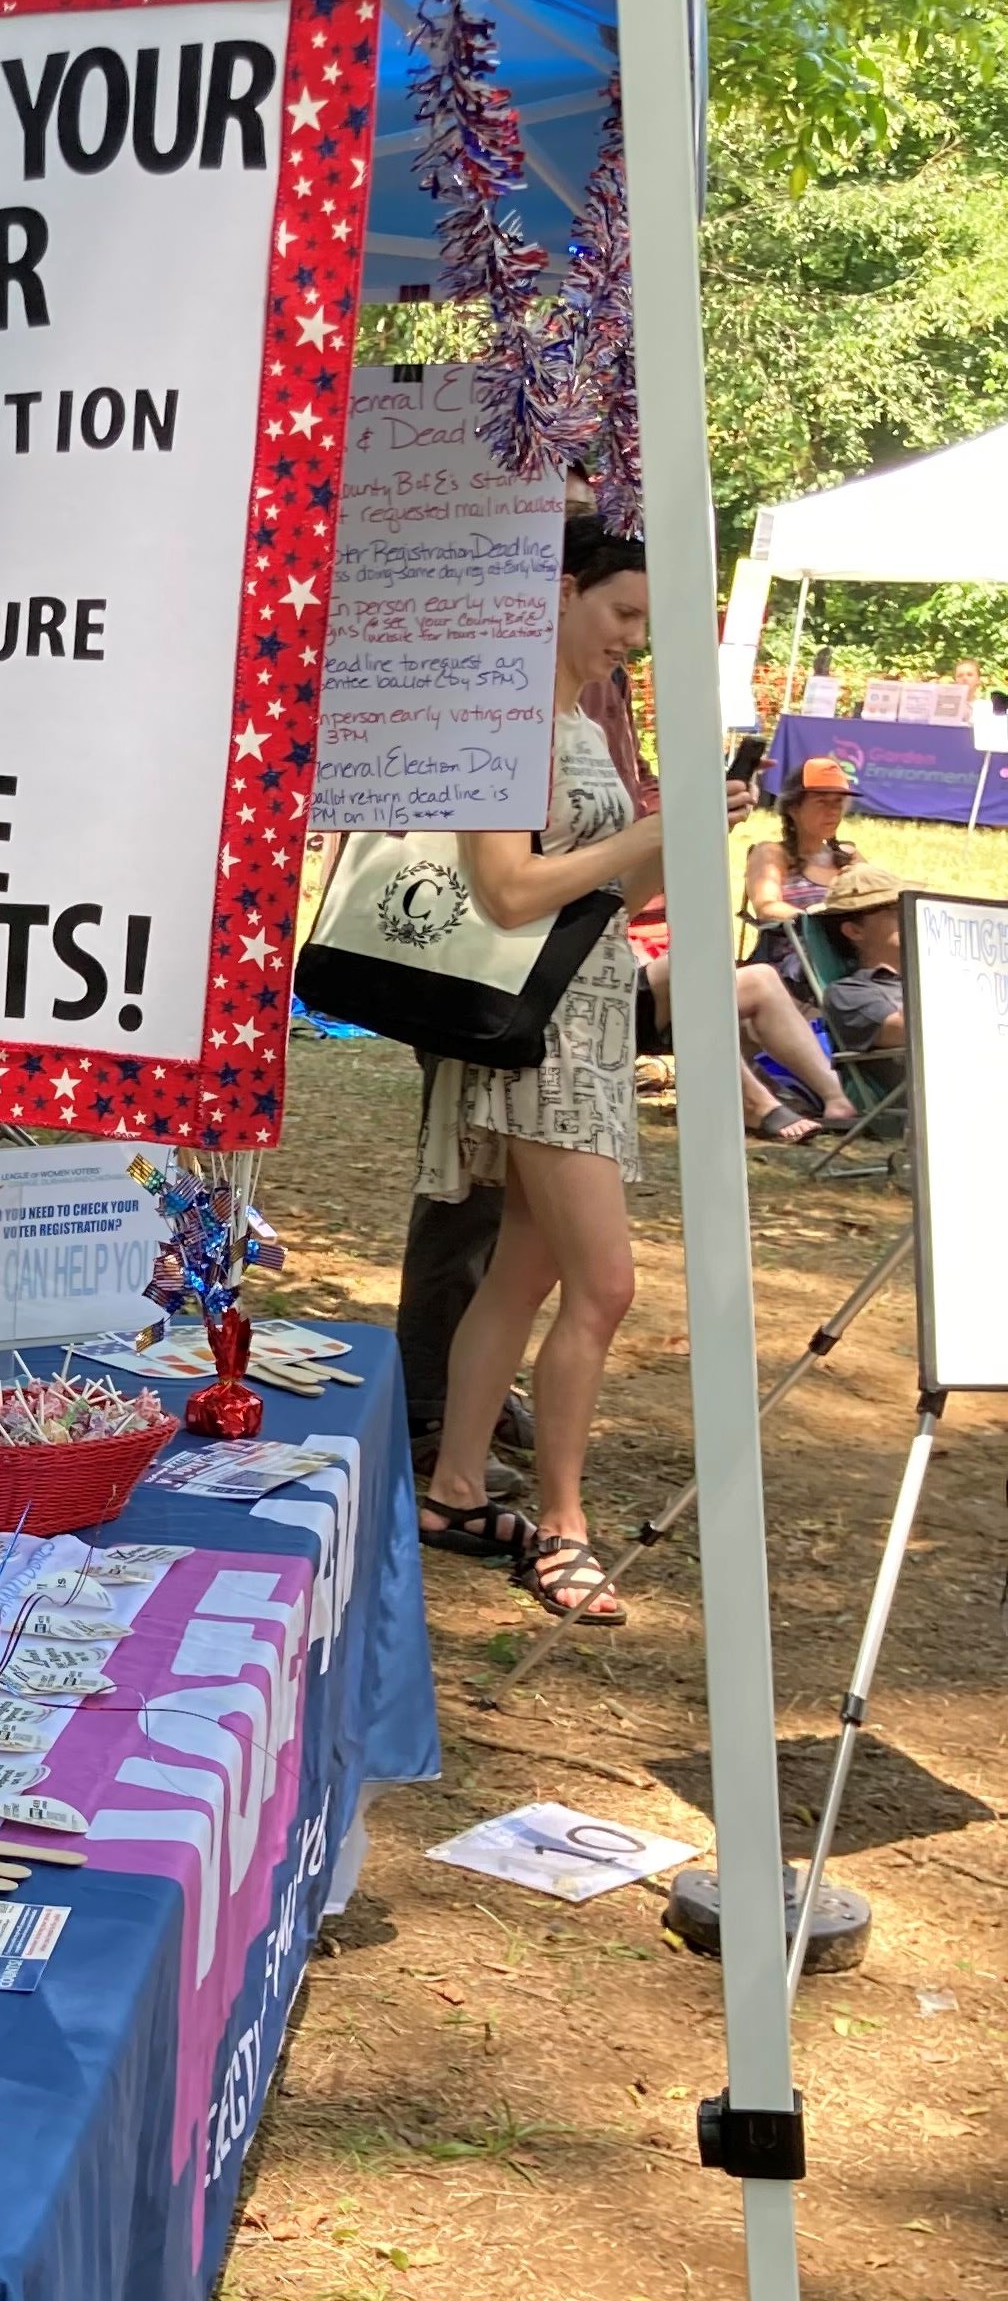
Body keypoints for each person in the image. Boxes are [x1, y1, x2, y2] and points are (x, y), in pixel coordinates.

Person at [419, 520, 686, 1627]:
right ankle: (564, 1525)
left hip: (582, 1019)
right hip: (542, 1040)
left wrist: (674, 836)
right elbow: (508, 893)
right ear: (563, 589)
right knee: (603, 1282)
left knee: (523, 1272)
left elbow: (606, 902)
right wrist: (643, 835)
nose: (633, 638)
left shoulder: (579, 719)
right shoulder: (507, 712)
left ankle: (456, 1489)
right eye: (622, 612)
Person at [634, 948, 858, 1144]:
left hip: (623, 990)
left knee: (762, 979)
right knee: (689, 960)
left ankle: (838, 1098)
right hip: (606, 1010)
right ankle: (752, 1103)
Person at [743, 757, 864, 991]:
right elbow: (767, 908)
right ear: (793, 808)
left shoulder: (849, 856)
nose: (832, 811)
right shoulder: (772, 853)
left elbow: (882, 898)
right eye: (821, 802)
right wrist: (822, 924)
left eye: (838, 802)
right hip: (793, 969)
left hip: (848, 960)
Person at [816, 861, 909, 1066]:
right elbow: (909, 1031)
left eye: (910, 906)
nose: (909, 915)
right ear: (854, 931)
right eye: (894, 909)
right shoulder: (849, 993)